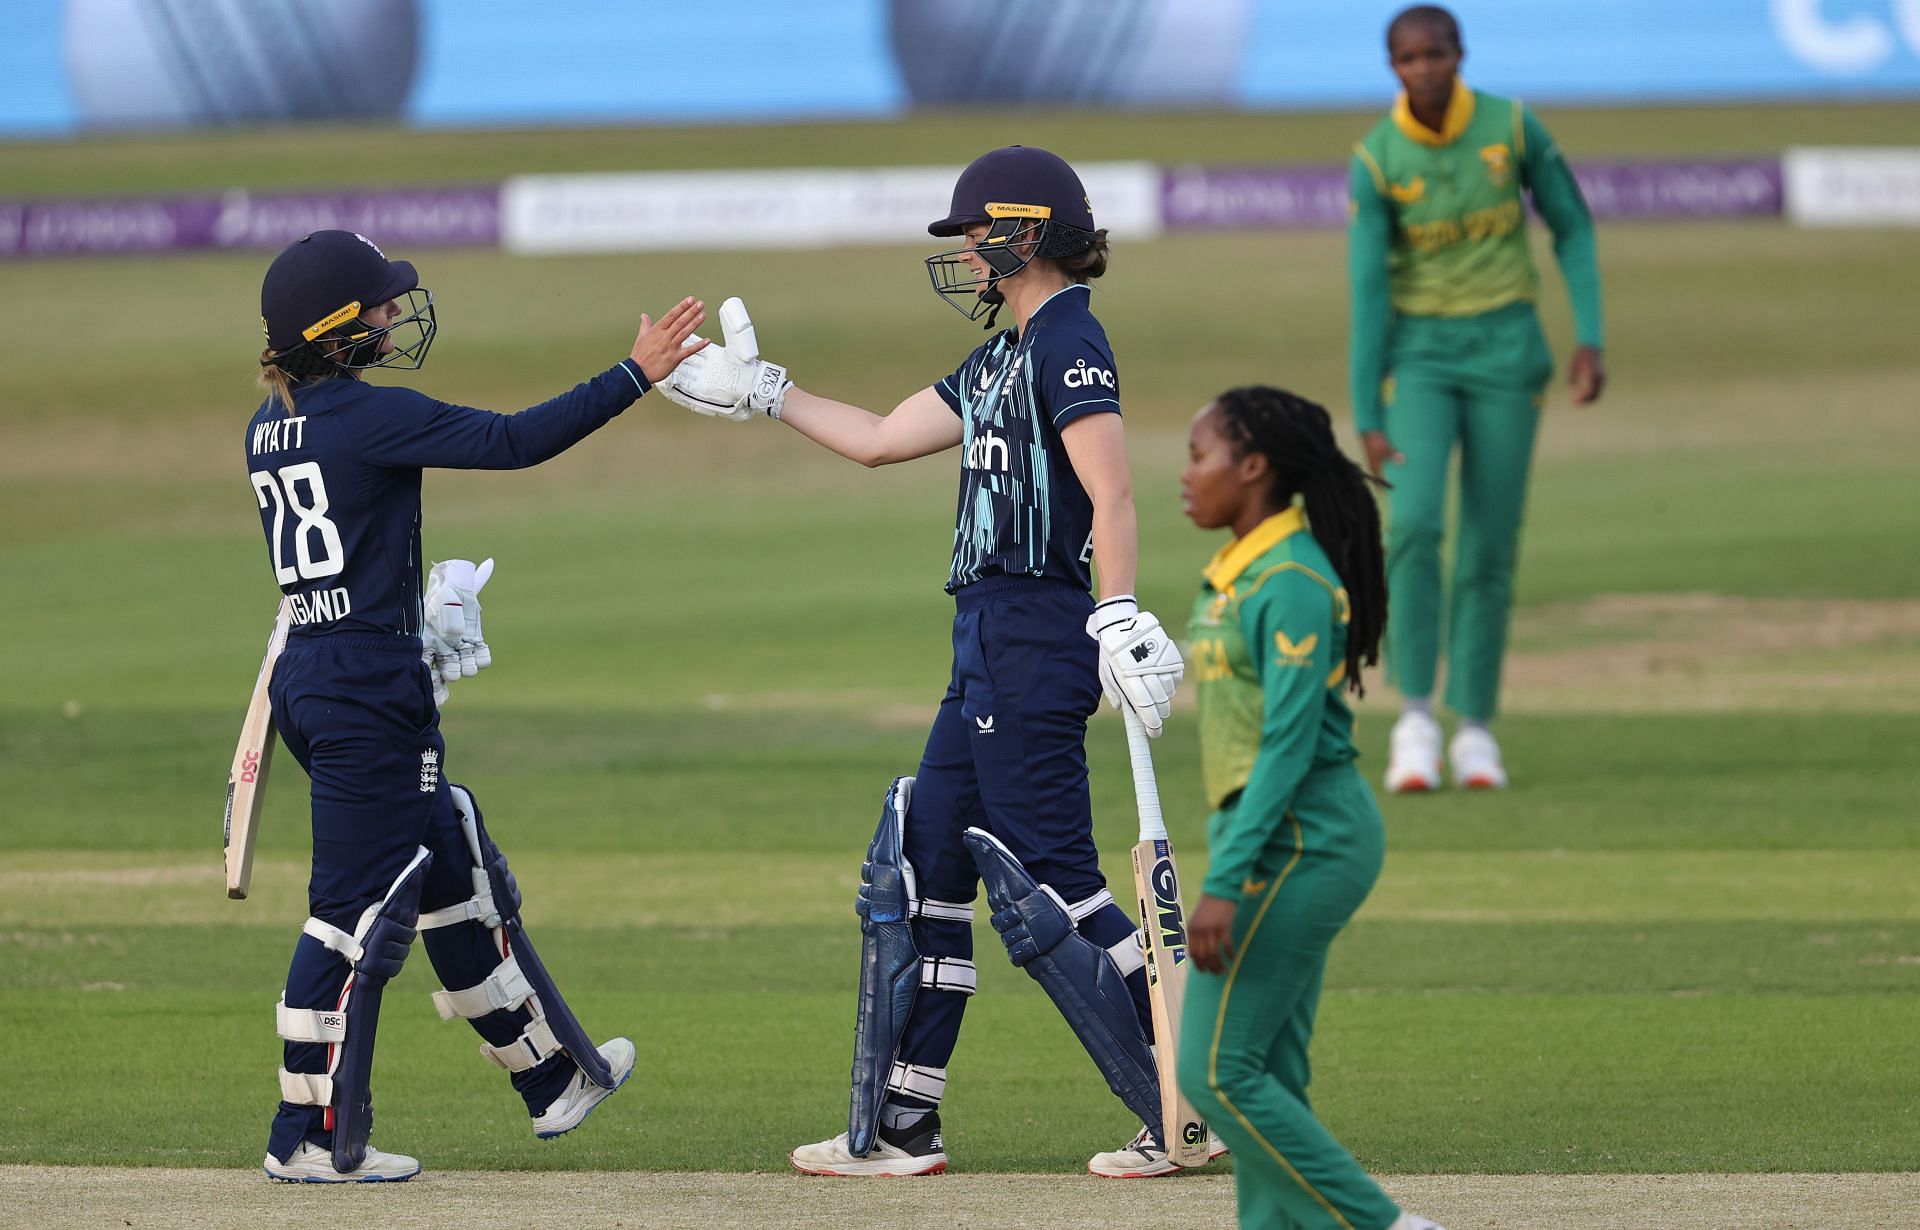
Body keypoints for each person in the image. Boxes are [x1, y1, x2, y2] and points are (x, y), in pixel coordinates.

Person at [657, 145, 1205, 1178]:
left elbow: (1113, 490)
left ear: (1023, 235)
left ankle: (1185, 1101)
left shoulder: (1069, 343)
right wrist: (769, 392)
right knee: (930, 868)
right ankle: (903, 1125)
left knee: (1060, 882)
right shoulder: (1000, 356)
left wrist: (1118, 610)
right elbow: (874, 439)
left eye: (970, 235)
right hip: (984, 637)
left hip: (1039, 631)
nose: (959, 253)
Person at [244, 228, 708, 1182]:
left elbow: (335, 566)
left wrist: (400, 621)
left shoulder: (269, 426)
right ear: (334, 332)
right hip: (365, 688)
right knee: (353, 913)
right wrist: (635, 374)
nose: (391, 316)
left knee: (453, 859)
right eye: (376, 306)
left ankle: (552, 1081)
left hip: (325, 667)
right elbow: (512, 441)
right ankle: (309, 1139)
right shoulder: (365, 417)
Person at [1174, 385, 1445, 1230]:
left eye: (1200, 456)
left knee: (1216, 1075)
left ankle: (1390, 1227)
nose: (1185, 477)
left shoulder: (1290, 580)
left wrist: (1225, 878)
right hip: (1272, 831)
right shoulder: (1246, 568)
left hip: (1300, 838)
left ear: (1253, 467)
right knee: (1268, 1077)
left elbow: (1287, 748)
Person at [1348, 3, 1606, 792]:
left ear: (1460, 54)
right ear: (1393, 67)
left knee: (1490, 545)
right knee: (1417, 527)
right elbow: (1367, 292)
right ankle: (1417, 719)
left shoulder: (1512, 128)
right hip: (1421, 362)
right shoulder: (1379, 157)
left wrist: (1589, 335)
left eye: (1437, 53)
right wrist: (1366, 411)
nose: (1424, 68)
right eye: (1408, 57)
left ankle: (1476, 730)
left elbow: (1573, 227)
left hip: (1507, 357)